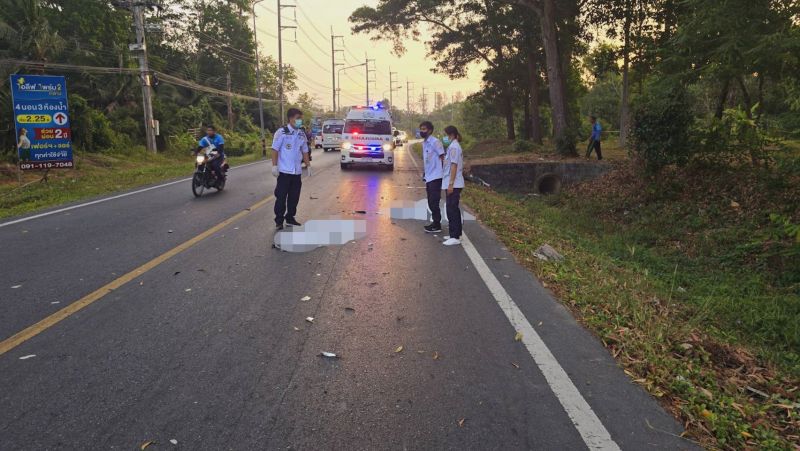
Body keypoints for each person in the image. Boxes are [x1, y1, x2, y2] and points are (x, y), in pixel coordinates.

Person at [271, 108, 310, 230]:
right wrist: (274, 166)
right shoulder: (281, 132)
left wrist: (308, 165)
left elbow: (305, 151)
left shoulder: (301, 134)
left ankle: (290, 218)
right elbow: (275, 149)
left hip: (296, 172)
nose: (300, 121)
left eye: (300, 118)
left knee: (294, 198)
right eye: (298, 118)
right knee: (281, 197)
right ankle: (279, 220)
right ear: (291, 118)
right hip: (284, 172)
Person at [419, 121, 445, 233]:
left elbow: (443, 157)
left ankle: (437, 225)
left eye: (424, 129)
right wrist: (425, 173)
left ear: (430, 130)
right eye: (421, 129)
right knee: (430, 201)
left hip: (436, 176)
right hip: (429, 176)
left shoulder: (436, 142)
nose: (421, 131)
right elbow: (427, 160)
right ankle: (435, 223)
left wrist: (446, 175)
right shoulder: (424, 143)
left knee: (434, 201)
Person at [442, 126, 465, 246]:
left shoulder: (454, 147)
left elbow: (454, 166)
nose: (444, 137)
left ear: (451, 134)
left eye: (445, 135)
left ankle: (455, 236)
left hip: (454, 183)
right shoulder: (452, 146)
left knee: (452, 209)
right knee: (451, 208)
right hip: (452, 182)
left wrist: (451, 184)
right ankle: (454, 233)